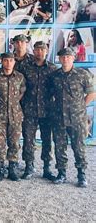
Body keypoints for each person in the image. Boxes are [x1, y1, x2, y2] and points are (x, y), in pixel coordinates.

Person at [50, 48, 95, 187]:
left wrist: (80, 107)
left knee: (78, 146)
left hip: (77, 118)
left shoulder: (82, 74)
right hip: (59, 118)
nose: (65, 59)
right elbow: (51, 94)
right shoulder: (55, 75)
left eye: (68, 57)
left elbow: (91, 93)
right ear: (59, 59)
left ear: (73, 58)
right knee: (59, 146)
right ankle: (61, 173)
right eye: (63, 57)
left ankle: (81, 175)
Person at [20, 41, 58, 180]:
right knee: (28, 139)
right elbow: (19, 86)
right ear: (33, 51)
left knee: (47, 139)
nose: (40, 52)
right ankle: (29, 166)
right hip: (29, 110)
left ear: (46, 51)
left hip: (47, 111)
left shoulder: (53, 69)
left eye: (43, 50)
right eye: (37, 50)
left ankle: (47, 168)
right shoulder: (25, 67)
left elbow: (57, 89)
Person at [0, 53, 26, 181]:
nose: (8, 63)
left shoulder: (20, 77)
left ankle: (12, 169)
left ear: (14, 62)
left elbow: (22, 91)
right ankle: (0, 169)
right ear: (2, 62)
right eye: (5, 60)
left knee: (14, 143)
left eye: (11, 60)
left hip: (15, 115)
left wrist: (12, 103)